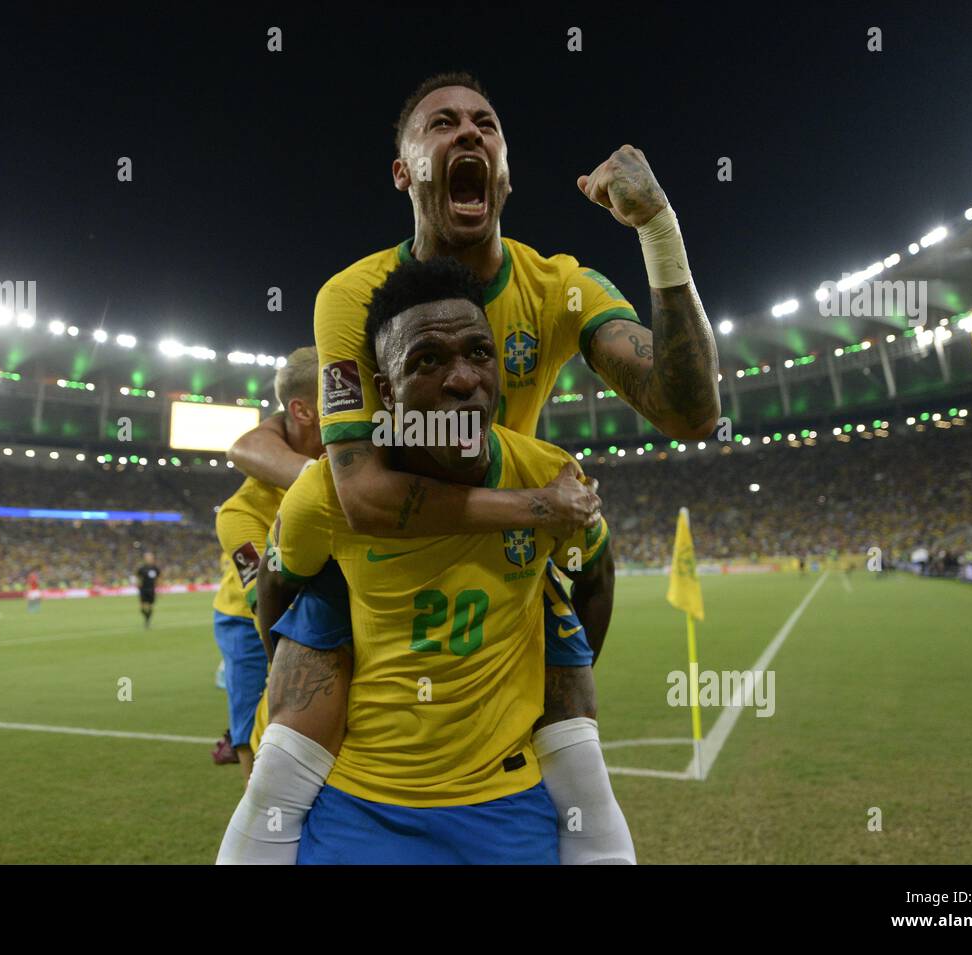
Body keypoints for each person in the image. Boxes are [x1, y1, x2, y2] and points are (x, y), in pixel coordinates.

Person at [226, 71, 720, 777]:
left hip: (505, 560)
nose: (469, 132)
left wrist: (658, 229)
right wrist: (538, 506)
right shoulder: (352, 296)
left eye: (486, 125)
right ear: (404, 172)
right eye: (442, 123)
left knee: (570, 758)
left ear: (506, 175)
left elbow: (693, 411)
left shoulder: (561, 288)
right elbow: (361, 493)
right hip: (383, 552)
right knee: (289, 773)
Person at [217, 257, 633, 864]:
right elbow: (278, 590)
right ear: (385, 391)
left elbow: (596, 575)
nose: (463, 380)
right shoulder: (326, 496)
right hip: (360, 802)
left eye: (479, 354)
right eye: (428, 361)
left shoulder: (549, 473)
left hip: (507, 801)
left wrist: (549, 680)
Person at [211, 346, 324, 781]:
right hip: (249, 619)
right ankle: (256, 813)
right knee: (256, 731)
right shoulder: (240, 512)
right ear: (303, 410)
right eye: (337, 391)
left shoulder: (346, 464)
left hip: (311, 607)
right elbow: (267, 598)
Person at [135, 551, 159, 628]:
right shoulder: (141, 568)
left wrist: (159, 588)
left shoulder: (155, 568)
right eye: (148, 558)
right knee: (142, 608)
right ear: (145, 559)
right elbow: (138, 577)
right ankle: (147, 619)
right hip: (143, 589)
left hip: (151, 590)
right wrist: (138, 585)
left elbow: (159, 577)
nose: (149, 559)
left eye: (151, 557)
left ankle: (147, 622)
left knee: (150, 606)